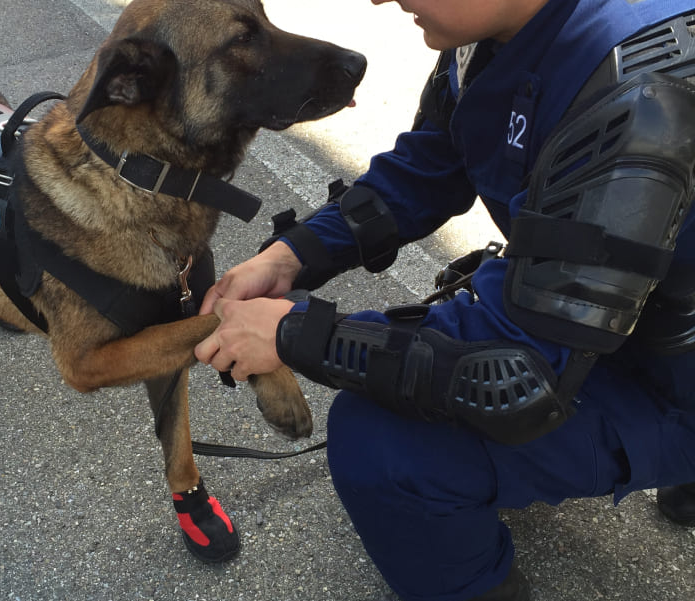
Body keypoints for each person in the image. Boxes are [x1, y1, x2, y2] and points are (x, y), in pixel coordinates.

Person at [195, 0, 695, 599]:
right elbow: (429, 164)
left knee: (384, 445)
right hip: (624, 315)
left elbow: (517, 375)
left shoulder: (643, 88)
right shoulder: (498, 33)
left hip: (659, 371)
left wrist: (292, 333)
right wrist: (293, 254)